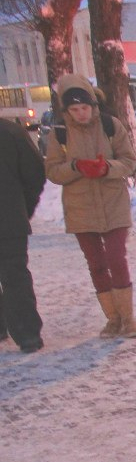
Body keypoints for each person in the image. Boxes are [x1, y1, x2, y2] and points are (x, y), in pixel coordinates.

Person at [44, 74, 136, 339]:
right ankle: (113, 318)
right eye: (74, 110)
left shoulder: (111, 125)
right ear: (66, 110)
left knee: (116, 258)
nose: (81, 114)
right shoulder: (60, 133)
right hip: (80, 208)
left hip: (113, 204)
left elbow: (130, 161)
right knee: (96, 264)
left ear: (93, 104)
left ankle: (128, 318)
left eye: (84, 108)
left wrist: (107, 167)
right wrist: (76, 167)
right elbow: (52, 171)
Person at [1, 117, 47, 353]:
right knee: (15, 275)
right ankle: (27, 333)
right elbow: (35, 173)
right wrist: (23, 207)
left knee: (15, 275)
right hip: (9, 220)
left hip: (10, 219)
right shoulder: (12, 132)